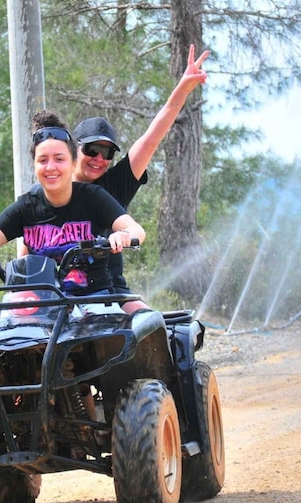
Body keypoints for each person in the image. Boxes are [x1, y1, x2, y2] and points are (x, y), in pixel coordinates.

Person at [0, 111, 146, 299]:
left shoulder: (94, 197)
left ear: (72, 163)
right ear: (34, 165)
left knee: (145, 327)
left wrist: (123, 235)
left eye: (59, 159)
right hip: (43, 306)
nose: (51, 167)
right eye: (43, 160)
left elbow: (136, 230)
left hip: (94, 302)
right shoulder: (26, 207)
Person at [71, 44, 210, 311]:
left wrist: (181, 91)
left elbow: (150, 141)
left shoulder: (114, 185)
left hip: (111, 292)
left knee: (154, 330)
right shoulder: (54, 192)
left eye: (107, 152)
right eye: (92, 149)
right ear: (73, 148)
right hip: (61, 296)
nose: (99, 158)